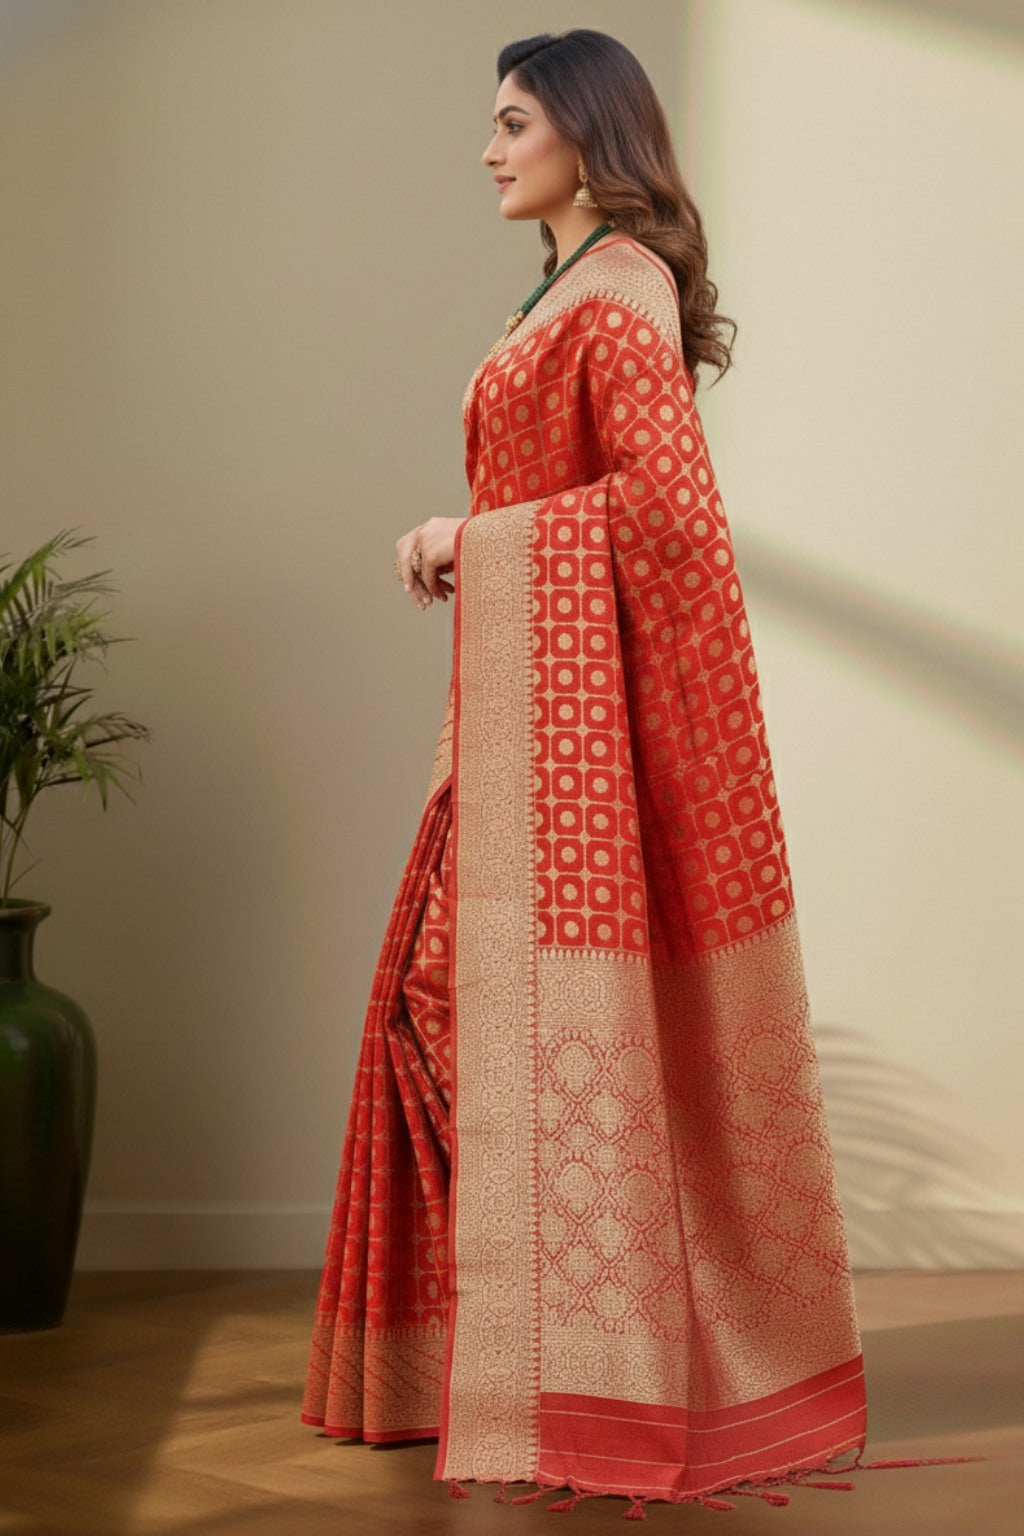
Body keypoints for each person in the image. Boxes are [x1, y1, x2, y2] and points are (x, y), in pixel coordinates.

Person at [301, 28, 974, 1516]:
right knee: (432, 1012)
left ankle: (591, 1374)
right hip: (518, 734)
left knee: (461, 1017)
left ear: (587, 136)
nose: (486, 149)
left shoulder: (620, 293)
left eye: (510, 120)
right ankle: (498, 1364)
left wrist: (464, 541)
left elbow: (672, 519)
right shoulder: (564, 294)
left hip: (574, 765)